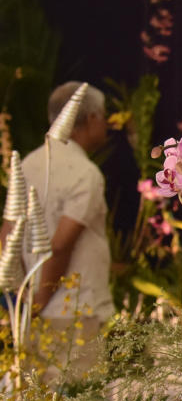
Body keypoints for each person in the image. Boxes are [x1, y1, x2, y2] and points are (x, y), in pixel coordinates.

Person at [12, 81, 112, 379]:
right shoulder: (85, 173)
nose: (106, 123)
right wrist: (41, 301)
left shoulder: (29, 163)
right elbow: (60, 245)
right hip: (73, 311)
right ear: (91, 118)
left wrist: (22, 299)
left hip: (30, 310)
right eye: (104, 116)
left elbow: (8, 235)